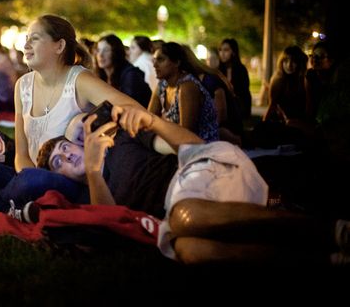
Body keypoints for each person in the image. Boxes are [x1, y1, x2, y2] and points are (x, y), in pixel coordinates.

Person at [36, 106, 350, 265]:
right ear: (61, 177)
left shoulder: (125, 141)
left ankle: (332, 231)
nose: (67, 154)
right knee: (190, 250)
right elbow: (116, 223)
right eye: (58, 162)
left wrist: (153, 122)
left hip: (200, 177)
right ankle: (326, 258)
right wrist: (92, 168)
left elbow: (192, 147)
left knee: (185, 215)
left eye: (67, 146)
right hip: (179, 220)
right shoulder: (93, 194)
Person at [0, 14, 146, 212]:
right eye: (26, 39)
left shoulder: (79, 80)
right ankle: (8, 207)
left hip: (71, 182)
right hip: (30, 174)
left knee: (31, 182)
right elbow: (21, 154)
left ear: (59, 46)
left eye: (34, 39)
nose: (25, 46)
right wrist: (26, 175)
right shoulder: (23, 86)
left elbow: (133, 109)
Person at [148, 41, 219, 142]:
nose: (154, 65)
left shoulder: (187, 86)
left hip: (201, 147)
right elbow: (149, 119)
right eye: (154, 60)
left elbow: (186, 132)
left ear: (177, 62)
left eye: (161, 60)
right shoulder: (162, 85)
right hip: (177, 143)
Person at [96, 33, 151, 107]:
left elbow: (129, 107)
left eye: (106, 50)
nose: (100, 55)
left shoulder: (131, 75)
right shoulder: (102, 76)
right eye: (98, 50)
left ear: (116, 52)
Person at [218, 38, 252, 119]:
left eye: (226, 50)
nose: (222, 53)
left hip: (238, 108)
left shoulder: (241, 70)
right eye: (220, 50)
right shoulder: (218, 71)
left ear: (233, 52)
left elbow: (244, 92)